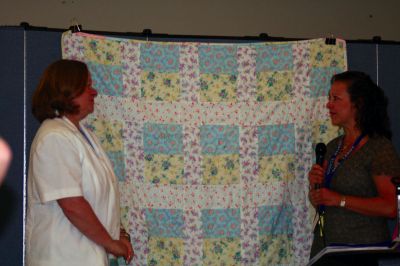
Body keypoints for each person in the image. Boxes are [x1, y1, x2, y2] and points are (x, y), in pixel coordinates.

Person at [26, 59, 134, 266]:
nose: (94, 93)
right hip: (61, 258)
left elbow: (99, 198)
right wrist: (111, 244)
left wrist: (118, 232)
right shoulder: (54, 137)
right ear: (67, 91)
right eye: (87, 87)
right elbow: (72, 204)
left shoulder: (84, 136)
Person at [308, 71, 400, 265]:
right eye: (329, 98)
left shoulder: (379, 148)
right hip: (327, 251)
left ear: (358, 104)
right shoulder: (332, 146)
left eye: (336, 98)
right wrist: (315, 190)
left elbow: (392, 207)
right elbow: (322, 204)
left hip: (359, 254)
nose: (328, 104)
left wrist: (338, 200)